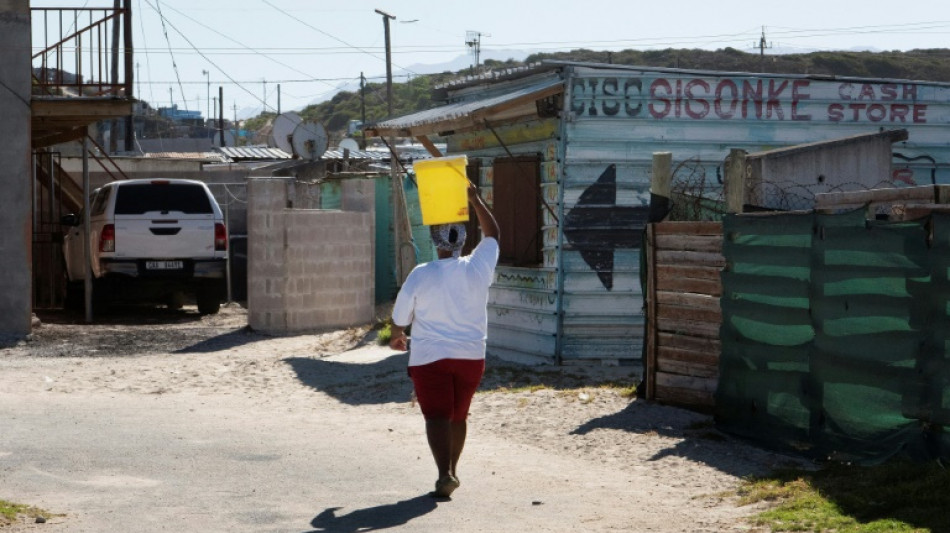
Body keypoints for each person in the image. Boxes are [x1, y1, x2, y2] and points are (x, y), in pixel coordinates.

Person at [389, 180, 500, 499]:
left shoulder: (422, 274)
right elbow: (493, 234)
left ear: (434, 240)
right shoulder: (479, 267)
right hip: (471, 358)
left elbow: (400, 317)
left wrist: (398, 335)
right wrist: (475, 200)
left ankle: (444, 474)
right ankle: (453, 469)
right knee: (458, 415)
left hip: (430, 359)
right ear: (464, 241)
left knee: (437, 415)